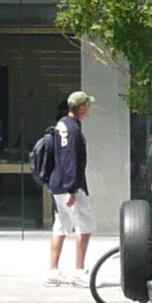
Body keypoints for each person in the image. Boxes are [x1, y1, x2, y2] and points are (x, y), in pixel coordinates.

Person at [45, 90, 95, 285]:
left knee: (61, 225)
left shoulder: (61, 125)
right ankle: (79, 272)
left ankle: (53, 271)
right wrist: (72, 189)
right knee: (85, 226)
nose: (89, 109)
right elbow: (70, 160)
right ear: (82, 107)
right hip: (70, 185)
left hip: (57, 183)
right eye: (87, 105)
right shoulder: (73, 129)